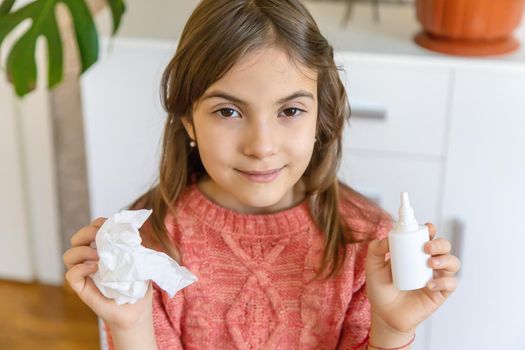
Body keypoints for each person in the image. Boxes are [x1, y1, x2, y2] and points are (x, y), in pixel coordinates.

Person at [63, 0, 461, 349]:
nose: (262, 145)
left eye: (289, 111)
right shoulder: (150, 245)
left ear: (320, 117)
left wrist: (390, 329)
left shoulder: (367, 243)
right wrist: (130, 326)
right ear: (188, 120)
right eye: (228, 111)